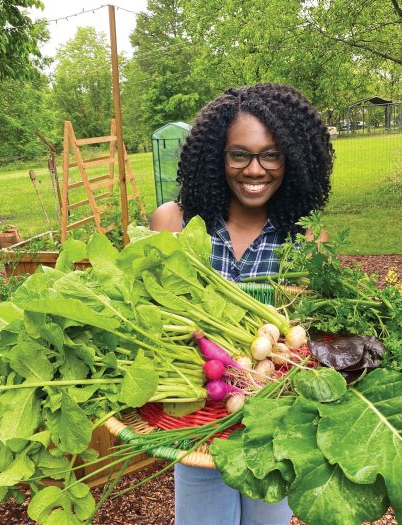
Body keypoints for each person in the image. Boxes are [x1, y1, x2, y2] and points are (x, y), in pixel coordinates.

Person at [150, 83, 333, 525]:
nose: (256, 169)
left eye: (271, 155)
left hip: (273, 428)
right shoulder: (172, 223)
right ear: (217, 157)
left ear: (292, 158)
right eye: (240, 155)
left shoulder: (307, 241)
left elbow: (306, 346)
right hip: (196, 422)